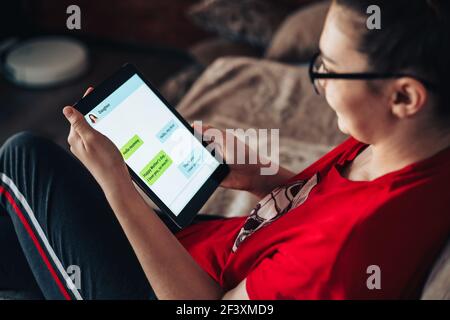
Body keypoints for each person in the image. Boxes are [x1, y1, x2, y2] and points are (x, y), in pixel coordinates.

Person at [1, 0, 450, 299]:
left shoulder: (347, 250)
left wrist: (117, 186)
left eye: (329, 69)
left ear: (405, 97)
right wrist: (260, 178)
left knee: (25, 160)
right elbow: (319, 213)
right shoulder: (405, 146)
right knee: (43, 217)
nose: (320, 84)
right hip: (214, 250)